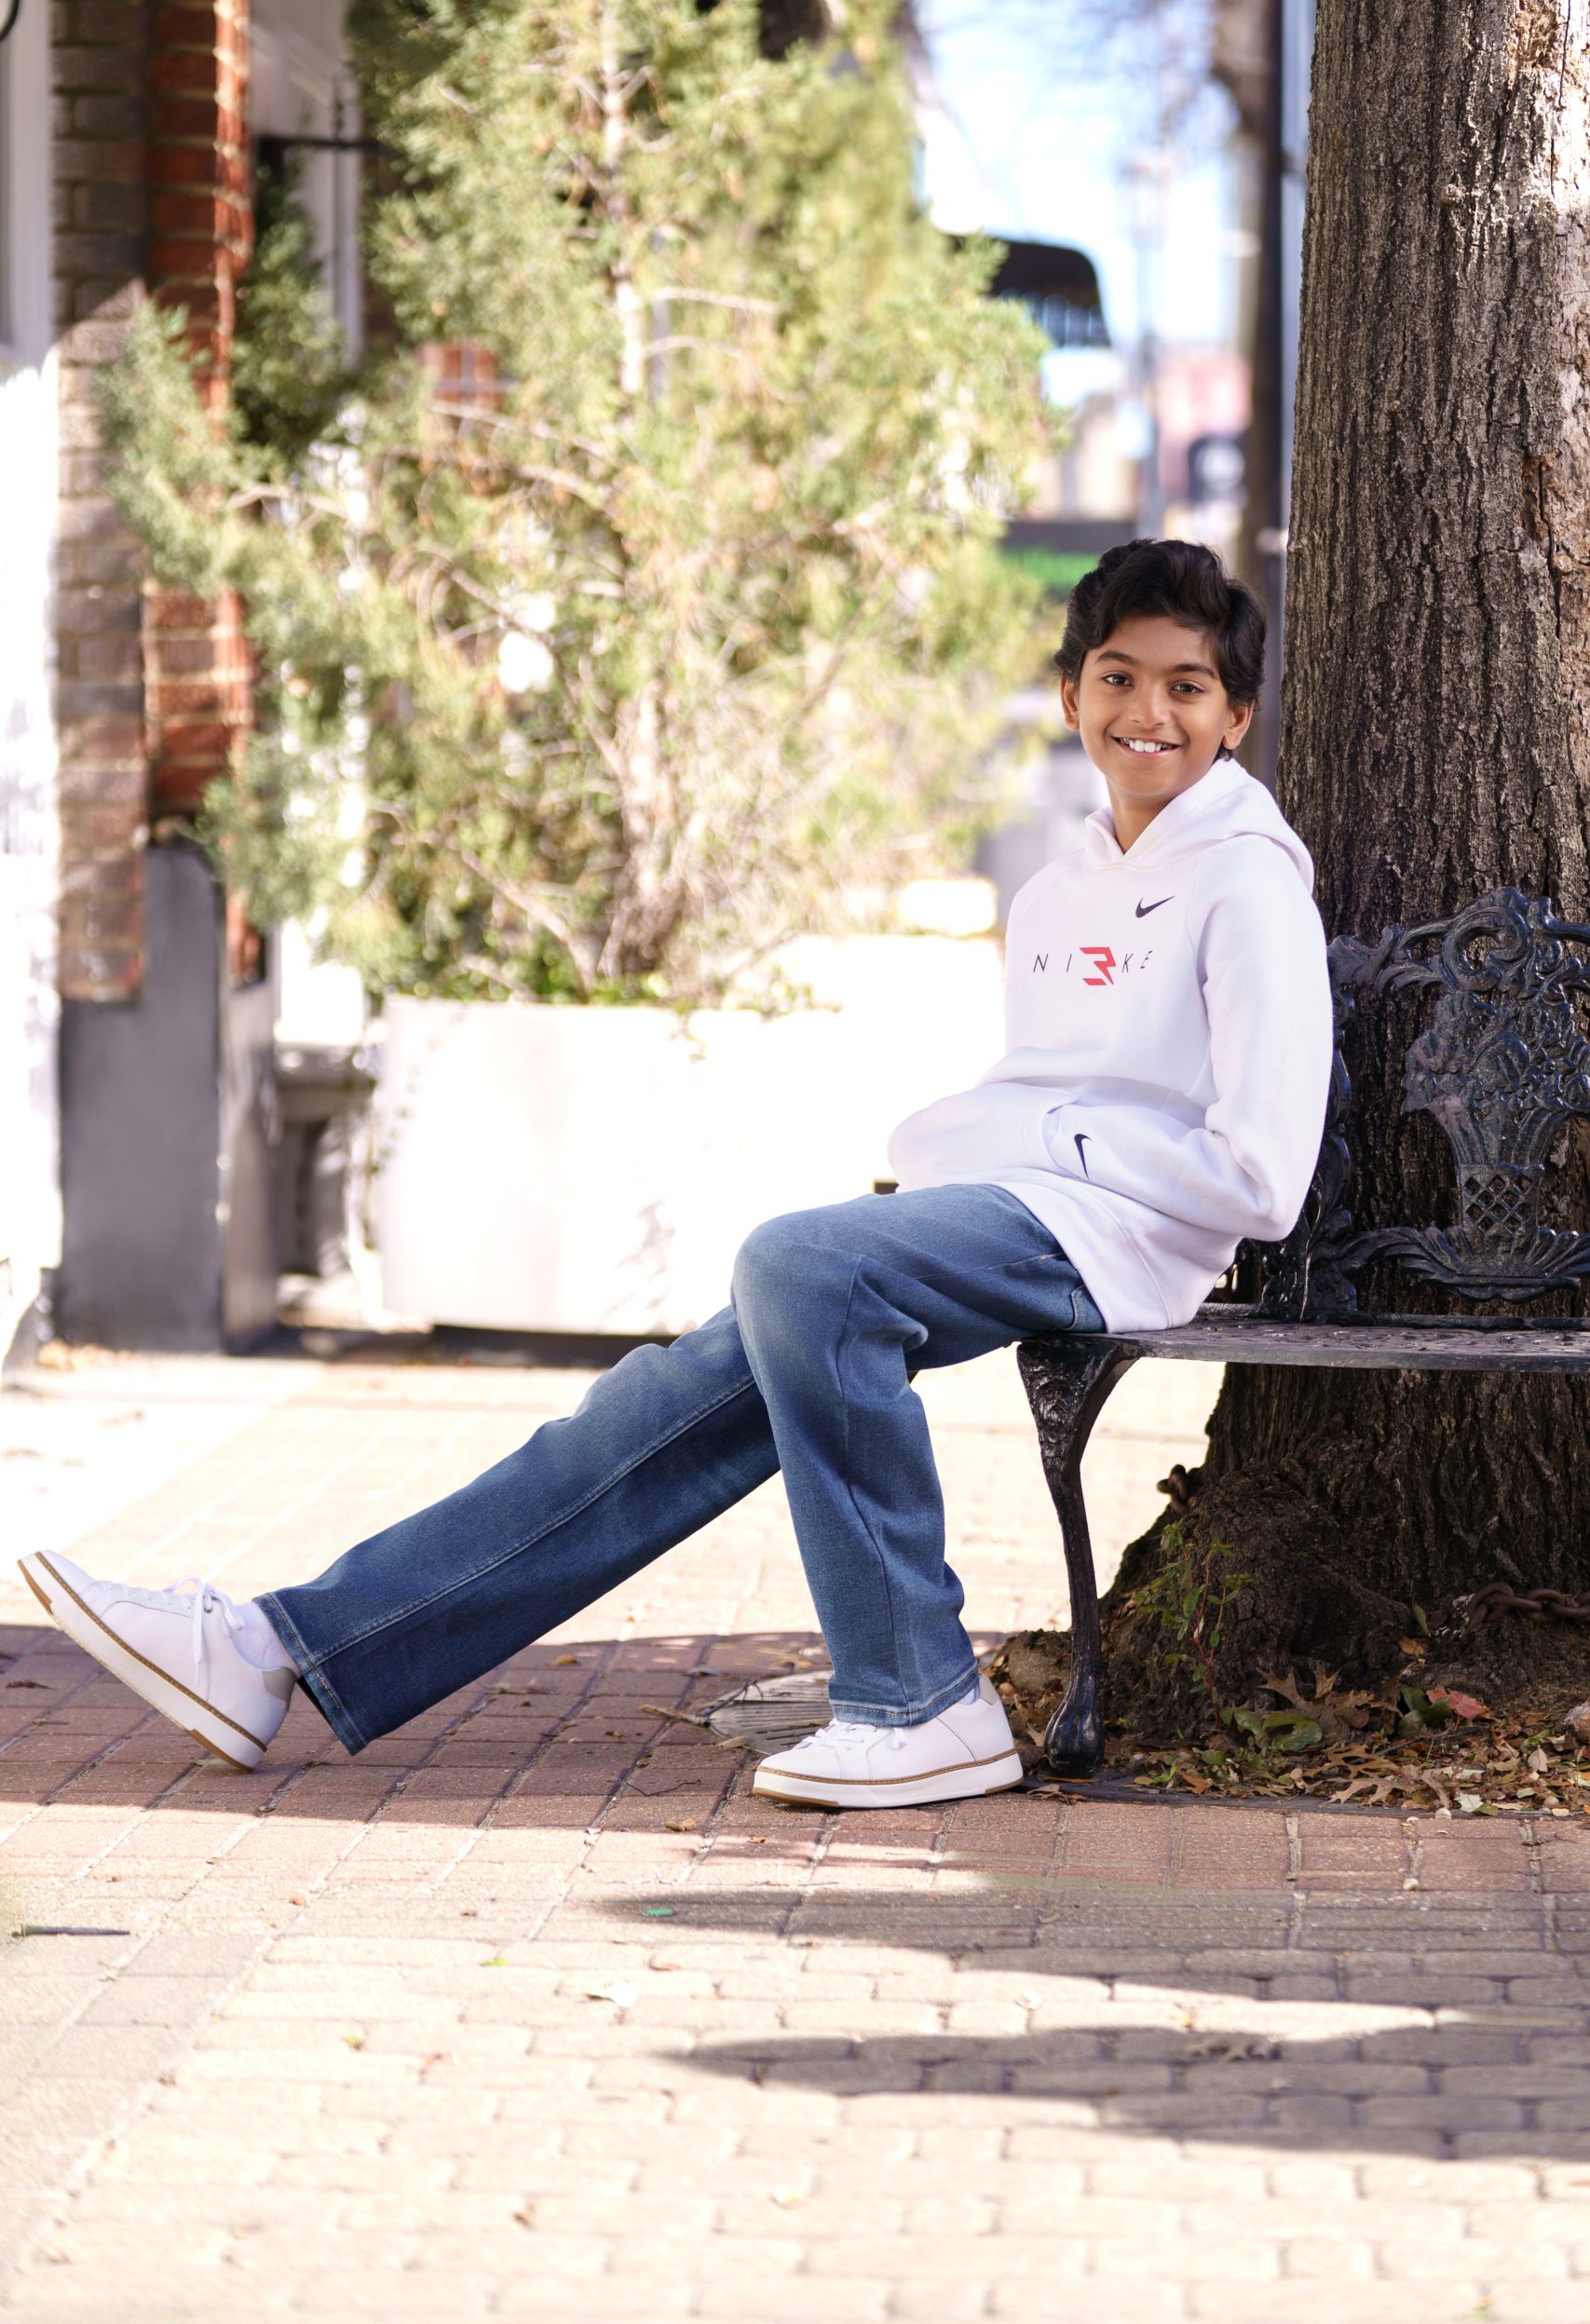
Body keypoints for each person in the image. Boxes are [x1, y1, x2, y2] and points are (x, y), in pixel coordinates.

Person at [21, 540, 1333, 1812]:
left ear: (1237, 717)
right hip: (1029, 1211)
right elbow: (1047, 1098)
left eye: (1187, 686)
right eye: (1118, 676)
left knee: (802, 1264)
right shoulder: (1061, 889)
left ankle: (921, 1700)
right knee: (671, 1403)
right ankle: (276, 1649)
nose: (1147, 711)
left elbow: (1260, 1173)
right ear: (1070, 694)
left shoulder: (1248, 883)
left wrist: (1025, 1144)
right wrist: (997, 1142)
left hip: (1131, 1238)